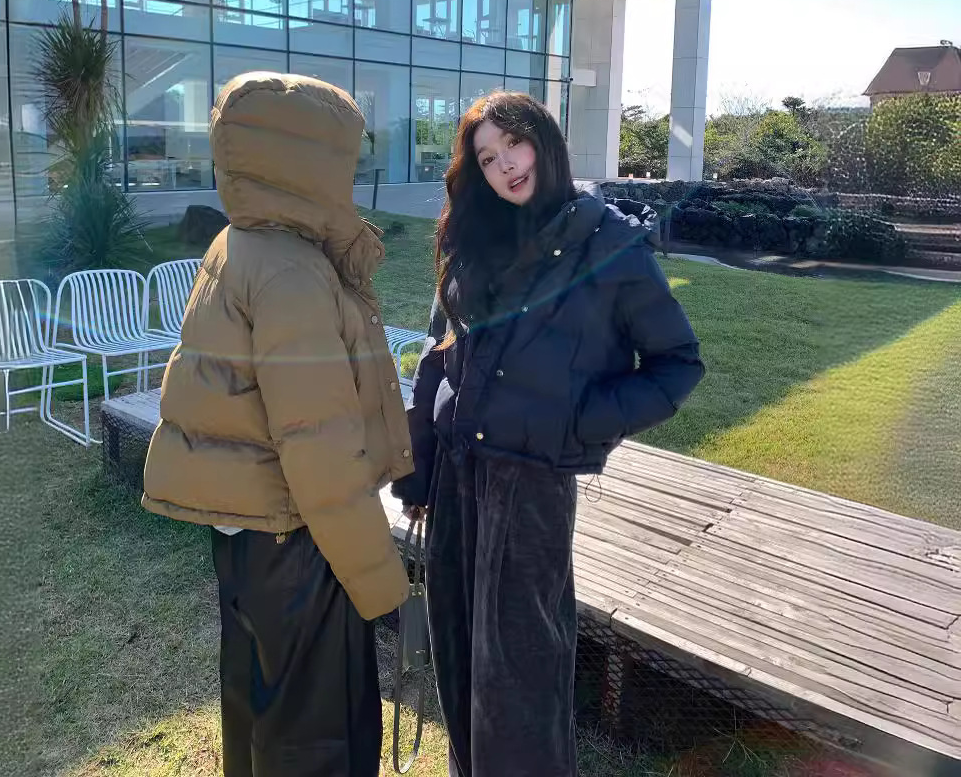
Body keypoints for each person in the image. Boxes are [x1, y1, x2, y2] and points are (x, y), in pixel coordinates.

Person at [392, 92, 704, 777]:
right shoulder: (477, 237)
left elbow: (678, 364)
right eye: (487, 158)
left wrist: (580, 422)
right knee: (458, 654)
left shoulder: (610, 246)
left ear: (546, 143)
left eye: (515, 144)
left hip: (530, 485)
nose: (506, 165)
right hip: (455, 476)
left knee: (519, 679)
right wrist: (417, 469)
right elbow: (438, 356)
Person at [142, 72, 414, 777]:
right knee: (317, 737)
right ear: (309, 161)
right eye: (345, 158)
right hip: (298, 540)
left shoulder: (241, 243)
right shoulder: (291, 271)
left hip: (249, 536)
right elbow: (319, 446)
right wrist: (380, 581)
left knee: (259, 714)